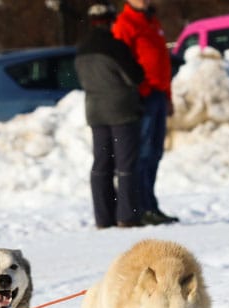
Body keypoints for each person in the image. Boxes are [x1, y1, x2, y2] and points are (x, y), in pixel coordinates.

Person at [75, 3, 145, 229]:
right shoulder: (115, 47)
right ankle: (127, 215)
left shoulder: (82, 48)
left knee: (101, 165)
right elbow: (135, 76)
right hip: (121, 111)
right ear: (111, 21)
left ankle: (103, 218)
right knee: (126, 166)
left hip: (95, 110)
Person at [113, 0, 179, 225]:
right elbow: (121, 63)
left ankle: (151, 203)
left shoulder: (152, 22)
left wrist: (168, 96)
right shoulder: (125, 24)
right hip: (144, 96)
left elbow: (162, 62)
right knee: (143, 153)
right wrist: (140, 91)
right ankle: (141, 206)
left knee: (155, 152)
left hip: (159, 94)